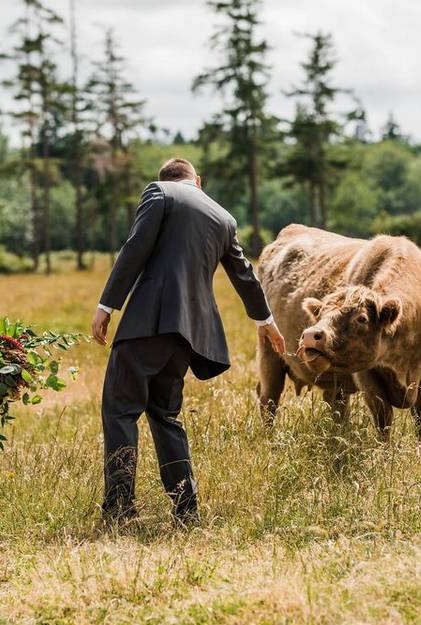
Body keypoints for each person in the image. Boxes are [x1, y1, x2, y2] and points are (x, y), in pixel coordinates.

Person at [91, 158, 286, 524]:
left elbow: (135, 248)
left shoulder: (158, 193)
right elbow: (245, 275)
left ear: (164, 179)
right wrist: (266, 320)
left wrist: (107, 304)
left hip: (148, 322)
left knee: (120, 409)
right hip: (190, 334)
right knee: (165, 414)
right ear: (198, 180)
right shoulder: (224, 218)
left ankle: (119, 508)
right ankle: (185, 508)